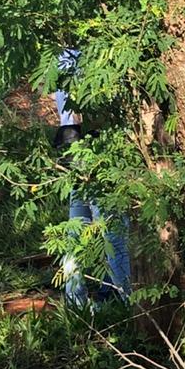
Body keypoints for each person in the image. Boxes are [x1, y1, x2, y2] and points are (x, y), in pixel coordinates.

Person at [54, 50, 132, 309]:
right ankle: (126, 301)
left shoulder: (63, 50)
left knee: (77, 223)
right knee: (113, 229)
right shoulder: (97, 50)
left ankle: (75, 298)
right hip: (98, 143)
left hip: (72, 140)